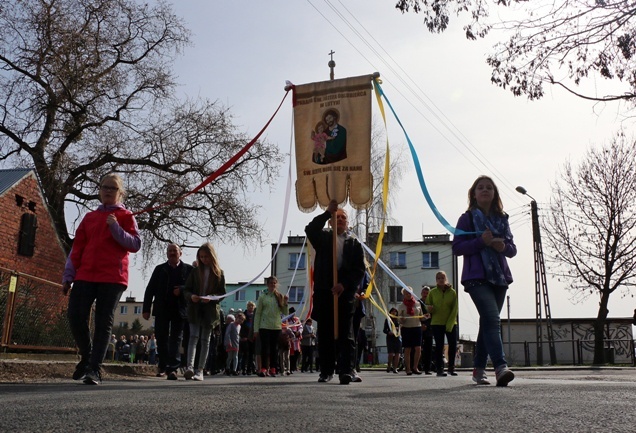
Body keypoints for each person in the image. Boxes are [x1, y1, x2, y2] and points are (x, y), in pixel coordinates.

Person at [62, 173, 141, 385]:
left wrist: (115, 228)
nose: (107, 190)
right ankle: (88, 356)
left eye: (112, 188)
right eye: (104, 187)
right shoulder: (89, 218)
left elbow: (135, 244)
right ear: (99, 190)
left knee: (103, 321)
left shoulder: (126, 216)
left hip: (112, 277)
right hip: (85, 274)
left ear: (120, 193)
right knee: (75, 315)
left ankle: (94, 369)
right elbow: (76, 249)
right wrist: (69, 275)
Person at [452, 175, 517, 387]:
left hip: (499, 278)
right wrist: (481, 241)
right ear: (474, 194)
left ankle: (478, 369)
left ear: (495, 193)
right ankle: (500, 367)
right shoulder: (467, 218)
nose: (485, 190)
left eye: (489, 187)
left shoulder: (502, 219)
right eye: (481, 188)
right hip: (476, 278)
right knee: (492, 320)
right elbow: (457, 248)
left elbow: (512, 249)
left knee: (487, 323)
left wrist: (502, 247)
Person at [305, 199, 365, 385]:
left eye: (343, 218)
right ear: (331, 221)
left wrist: (344, 285)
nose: (340, 220)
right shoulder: (322, 238)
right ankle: (326, 370)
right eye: (336, 217)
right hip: (325, 291)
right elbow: (310, 229)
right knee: (325, 333)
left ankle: (346, 370)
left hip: (344, 294)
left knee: (346, 333)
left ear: (347, 222)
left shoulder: (354, 244)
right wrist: (326, 213)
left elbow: (358, 271)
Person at [142, 243, 194, 379]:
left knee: (176, 339)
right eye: (169, 251)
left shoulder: (189, 269)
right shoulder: (159, 269)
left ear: (180, 253)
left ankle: (173, 368)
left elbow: (194, 288)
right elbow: (150, 289)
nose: (172, 253)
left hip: (179, 309)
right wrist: (146, 309)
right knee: (161, 337)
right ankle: (162, 366)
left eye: (174, 251)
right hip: (162, 308)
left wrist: (181, 290)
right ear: (166, 253)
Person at [183, 242, 226, 381]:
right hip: (195, 309)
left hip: (209, 311)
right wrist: (191, 296)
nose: (203, 259)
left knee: (205, 339)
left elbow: (222, 294)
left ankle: (200, 370)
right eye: (201, 257)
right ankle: (189, 367)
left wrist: (212, 298)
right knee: (193, 337)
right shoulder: (195, 272)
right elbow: (186, 289)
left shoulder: (219, 273)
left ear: (212, 256)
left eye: (206, 257)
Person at [254, 276, 289, 377]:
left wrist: (285, 302)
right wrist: (256, 329)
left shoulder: (279, 296)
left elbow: (285, 312)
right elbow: (258, 313)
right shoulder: (262, 297)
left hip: (276, 326)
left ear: (276, 284)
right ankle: (264, 368)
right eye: (271, 283)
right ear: (267, 284)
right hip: (264, 326)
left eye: (274, 283)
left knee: (274, 348)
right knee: (265, 348)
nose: (272, 285)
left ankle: (273, 368)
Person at [426, 271, 459, 377]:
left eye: (443, 277)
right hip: (437, 322)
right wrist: (429, 308)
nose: (441, 279)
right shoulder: (432, 292)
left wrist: (450, 322)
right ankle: (439, 369)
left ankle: (451, 368)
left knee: (452, 345)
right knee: (439, 346)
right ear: (436, 280)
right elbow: (427, 305)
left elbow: (455, 308)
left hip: (450, 322)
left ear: (446, 279)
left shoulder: (452, 292)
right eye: (439, 278)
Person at [398, 288, 424, 376]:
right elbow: (399, 320)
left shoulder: (418, 303)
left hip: (417, 327)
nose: (408, 295)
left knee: (418, 348)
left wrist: (425, 317)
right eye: (406, 293)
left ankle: (415, 367)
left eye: (409, 293)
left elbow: (421, 316)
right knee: (407, 349)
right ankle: (408, 368)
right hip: (406, 328)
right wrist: (401, 319)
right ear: (403, 294)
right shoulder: (401, 305)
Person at [418, 286, 434, 374]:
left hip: (429, 329)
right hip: (419, 328)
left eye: (427, 293)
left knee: (428, 349)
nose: (425, 295)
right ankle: (417, 366)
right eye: (424, 293)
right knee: (418, 349)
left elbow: (433, 316)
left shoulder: (431, 304)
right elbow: (415, 315)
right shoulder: (418, 303)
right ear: (421, 293)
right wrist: (421, 325)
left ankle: (428, 368)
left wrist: (427, 326)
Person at [239, 301, 256, 375]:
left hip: (253, 337)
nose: (250, 307)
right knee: (245, 354)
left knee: (252, 354)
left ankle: (250, 369)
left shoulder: (255, 316)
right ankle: (244, 369)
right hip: (245, 337)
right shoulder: (244, 315)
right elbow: (241, 327)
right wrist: (243, 336)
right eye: (249, 306)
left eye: (252, 306)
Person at [383, 308, 401, 374]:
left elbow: (401, 327)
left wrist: (398, 329)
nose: (394, 313)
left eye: (395, 312)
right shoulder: (387, 320)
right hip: (390, 338)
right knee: (390, 353)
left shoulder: (398, 320)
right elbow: (384, 330)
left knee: (397, 353)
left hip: (398, 338)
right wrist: (388, 332)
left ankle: (395, 368)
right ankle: (389, 365)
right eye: (392, 311)